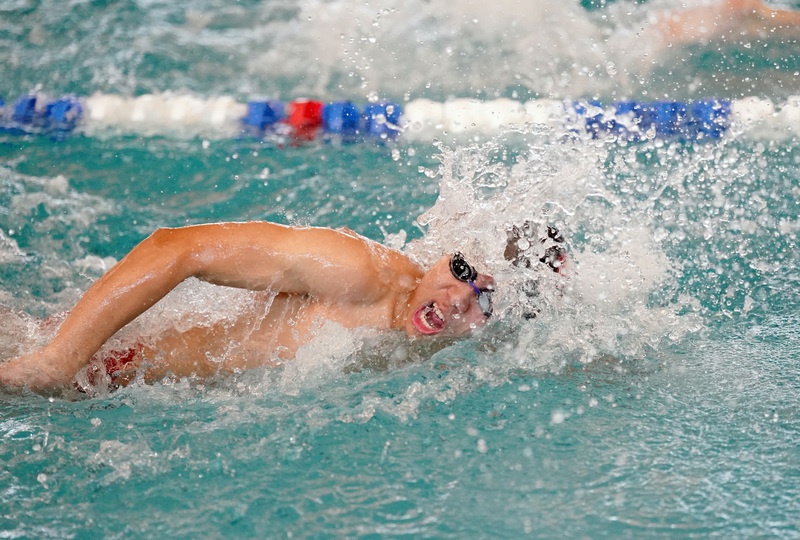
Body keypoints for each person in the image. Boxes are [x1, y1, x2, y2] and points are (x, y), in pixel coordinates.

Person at [0, 221, 496, 394]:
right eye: (463, 272)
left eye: (483, 300)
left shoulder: (462, 337)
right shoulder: (357, 272)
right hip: (97, 366)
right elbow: (175, 248)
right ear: (443, 253)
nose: (456, 300)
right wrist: (58, 359)